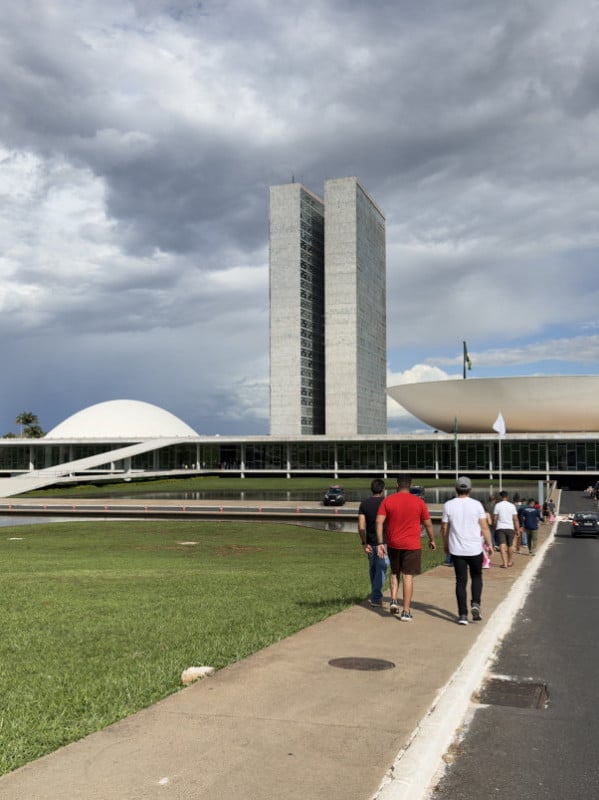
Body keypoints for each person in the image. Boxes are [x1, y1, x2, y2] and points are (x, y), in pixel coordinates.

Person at [375, 474, 436, 621]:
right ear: (410, 485)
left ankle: (394, 600)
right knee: (408, 576)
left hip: (394, 543)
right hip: (412, 544)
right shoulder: (419, 502)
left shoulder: (388, 500)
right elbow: (428, 523)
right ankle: (406, 611)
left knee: (394, 572)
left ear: (397, 485)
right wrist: (432, 539)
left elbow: (379, 521)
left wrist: (380, 542)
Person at [440, 476, 493, 625]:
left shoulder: (449, 505)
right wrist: (489, 544)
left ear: (456, 489)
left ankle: (462, 614)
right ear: (470, 489)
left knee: (460, 581)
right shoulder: (477, 505)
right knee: (477, 577)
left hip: (457, 550)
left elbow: (444, 527)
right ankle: (475, 603)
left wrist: (445, 543)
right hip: (475, 548)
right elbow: (484, 527)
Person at [357, 478, 389, 606]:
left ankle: (375, 595)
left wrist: (364, 543)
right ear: (383, 490)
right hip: (384, 542)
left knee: (374, 570)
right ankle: (376, 598)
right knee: (381, 570)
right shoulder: (387, 502)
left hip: (370, 542)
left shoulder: (364, 504)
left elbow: (361, 526)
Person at [493, 490, 520, 569]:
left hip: (500, 527)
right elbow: (515, 519)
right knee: (510, 545)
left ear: (500, 497)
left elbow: (495, 518)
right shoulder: (512, 506)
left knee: (502, 544)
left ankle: (504, 563)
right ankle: (509, 561)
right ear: (507, 497)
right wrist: (517, 529)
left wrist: (494, 526)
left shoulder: (497, 505)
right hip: (510, 527)